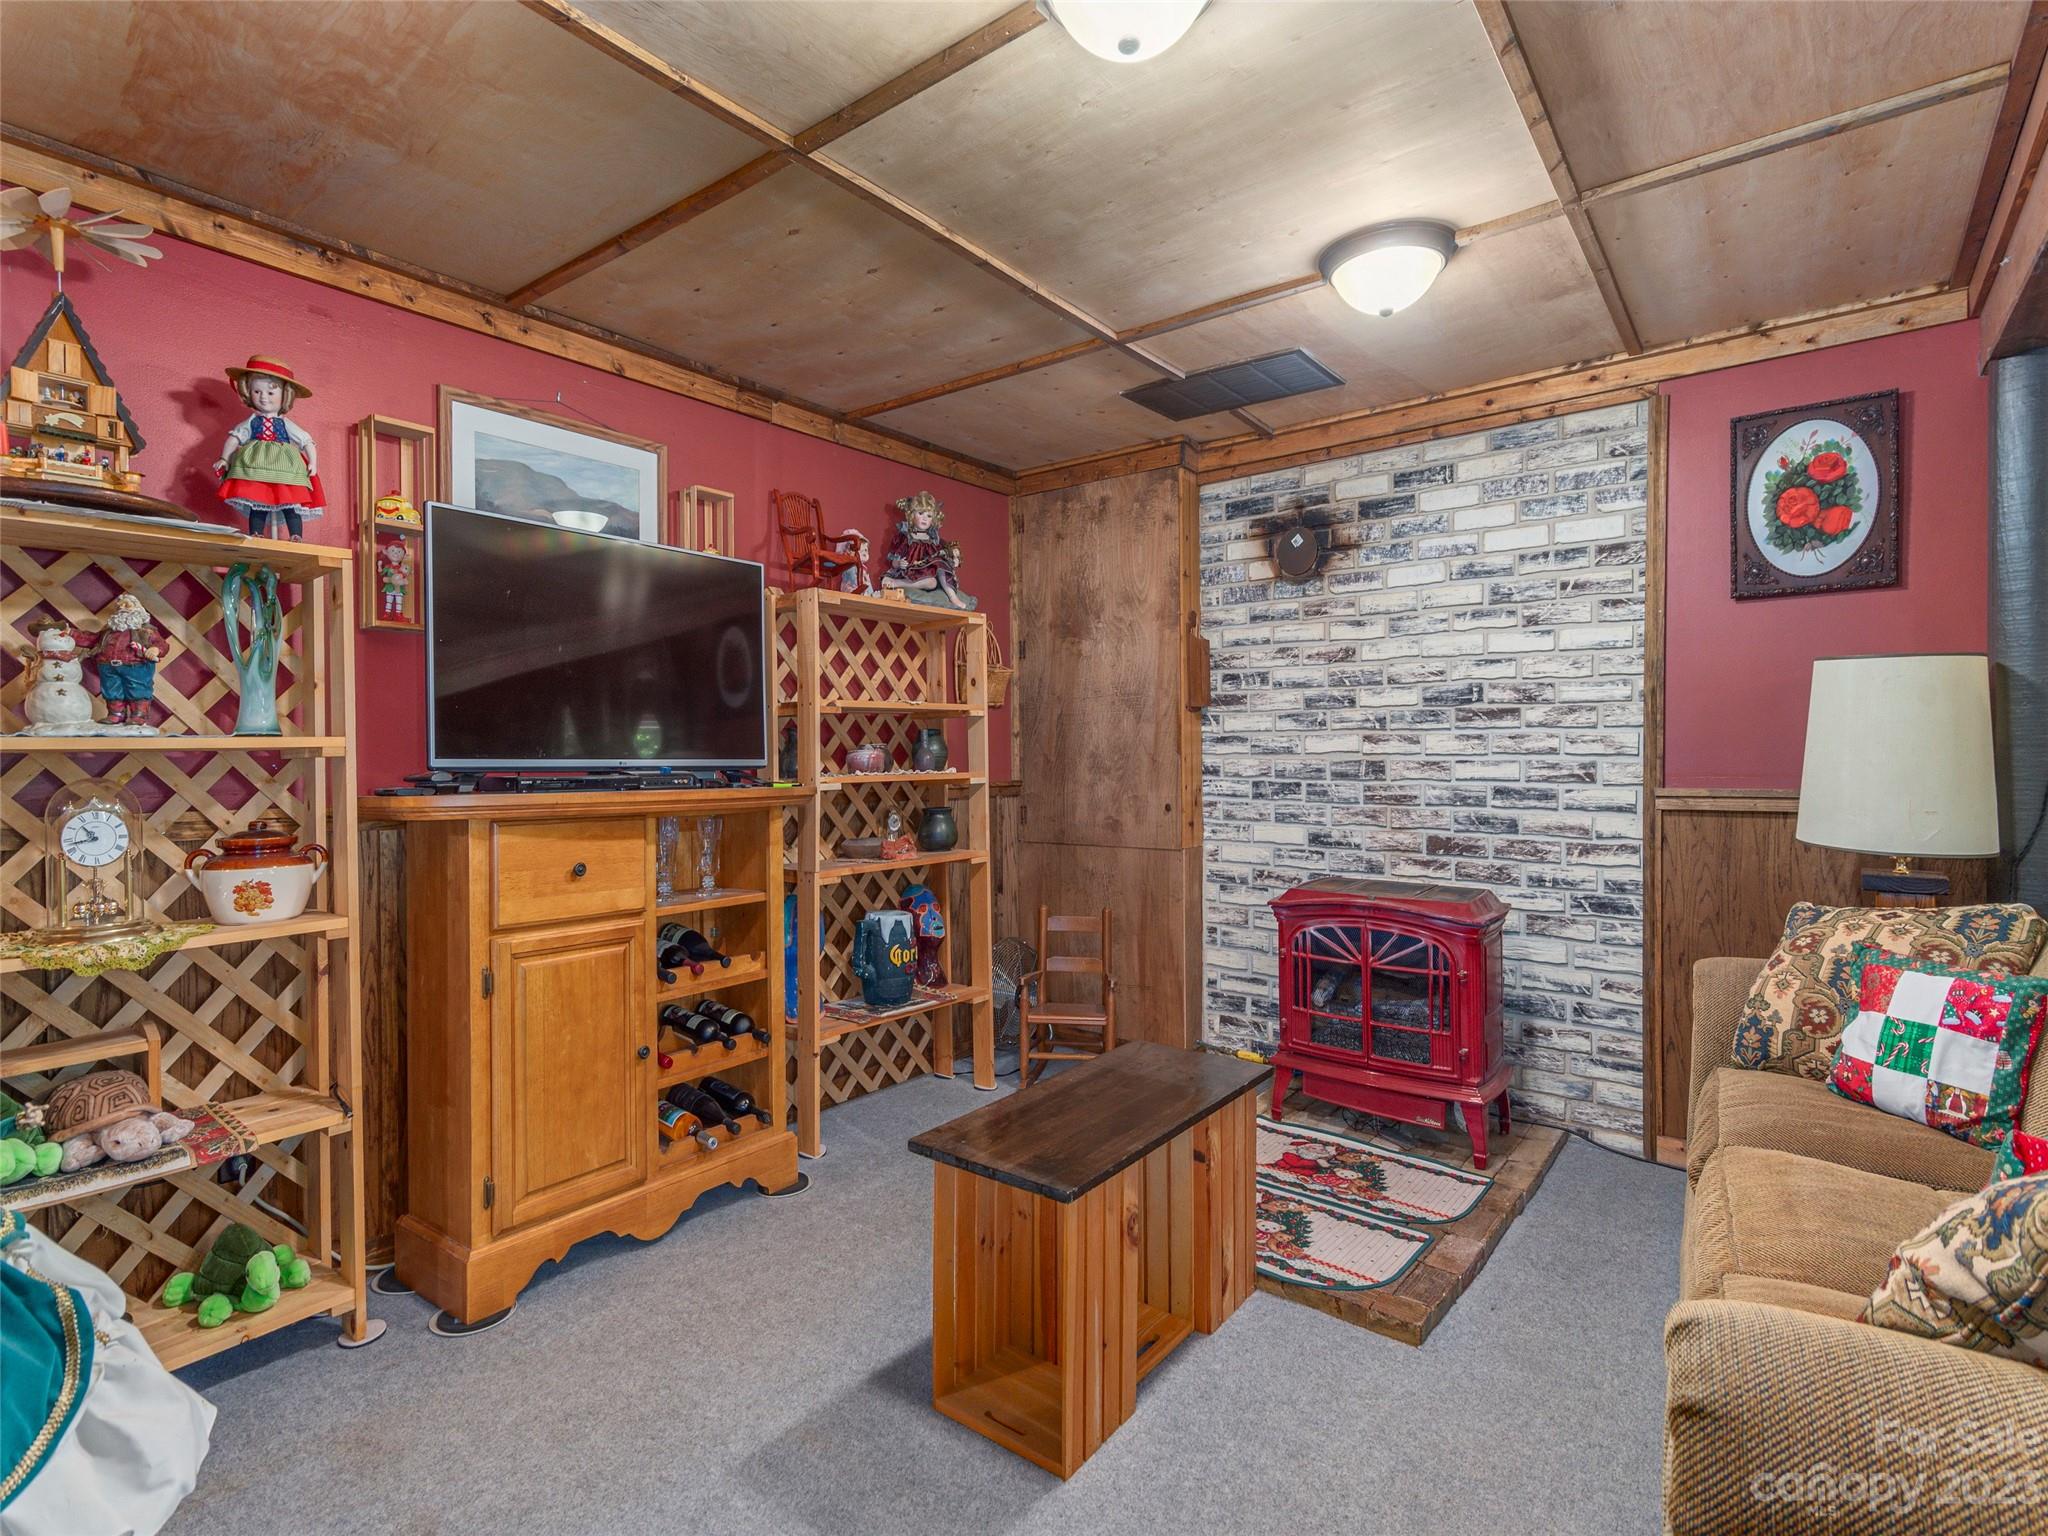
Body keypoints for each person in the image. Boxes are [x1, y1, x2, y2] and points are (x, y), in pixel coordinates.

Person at [213, 355, 324, 540]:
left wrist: (313, 462)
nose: (263, 397)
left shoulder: (285, 423)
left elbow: (306, 441)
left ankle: (296, 535)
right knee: (257, 500)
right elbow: (235, 438)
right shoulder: (252, 421)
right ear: (248, 392)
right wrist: (224, 459)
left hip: (285, 467)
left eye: (271, 393)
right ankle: (256, 533)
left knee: (290, 501)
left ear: (285, 395)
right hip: (255, 467)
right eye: (257, 391)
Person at [880, 490, 974, 609]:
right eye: (921, 513)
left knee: (934, 578)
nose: (924, 518)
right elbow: (894, 561)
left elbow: (941, 560)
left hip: (927, 573)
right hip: (909, 571)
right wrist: (899, 563)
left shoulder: (934, 540)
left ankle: (953, 597)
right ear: (912, 515)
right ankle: (897, 582)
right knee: (932, 581)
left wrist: (950, 562)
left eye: (929, 516)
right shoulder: (906, 537)